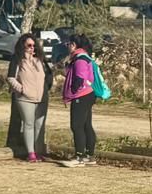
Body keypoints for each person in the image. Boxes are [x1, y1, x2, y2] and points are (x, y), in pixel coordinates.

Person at [6, 33, 52, 162]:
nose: (32, 48)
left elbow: (49, 75)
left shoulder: (41, 60)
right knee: (29, 124)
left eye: (34, 45)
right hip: (25, 98)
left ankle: (39, 151)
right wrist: (21, 89)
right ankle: (30, 153)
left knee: (40, 126)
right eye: (29, 45)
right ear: (23, 46)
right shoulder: (17, 59)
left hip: (42, 98)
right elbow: (10, 77)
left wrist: (47, 88)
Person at [60, 33, 99, 167]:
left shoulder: (80, 59)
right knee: (86, 124)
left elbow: (80, 78)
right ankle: (89, 155)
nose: (67, 47)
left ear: (74, 45)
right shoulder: (83, 57)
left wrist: (73, 91)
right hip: (88, 95)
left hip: (81, 96)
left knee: (77, 125)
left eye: (68, 44)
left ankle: (79, 156)